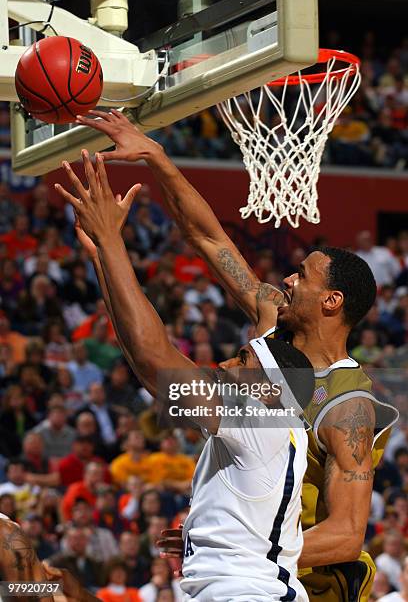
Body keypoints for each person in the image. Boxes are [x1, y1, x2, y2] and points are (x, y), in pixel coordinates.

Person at [77, 110, 399, 602]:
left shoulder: (348, 404)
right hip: (253, 560)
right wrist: (156, 157)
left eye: (302, 277)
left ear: (332, 302)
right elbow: (209, 238)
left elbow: (347, 535)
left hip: (302, 581)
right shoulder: (275, 323)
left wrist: (249, 548)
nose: (287, 280)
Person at [56, 151, 316, 601]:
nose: (226, 366)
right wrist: (104, 259)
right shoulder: (275, 422)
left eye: (242, 362)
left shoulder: (264, 421)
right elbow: (145, 364)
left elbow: (157, 363)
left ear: (268, 391)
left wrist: (113, 243)